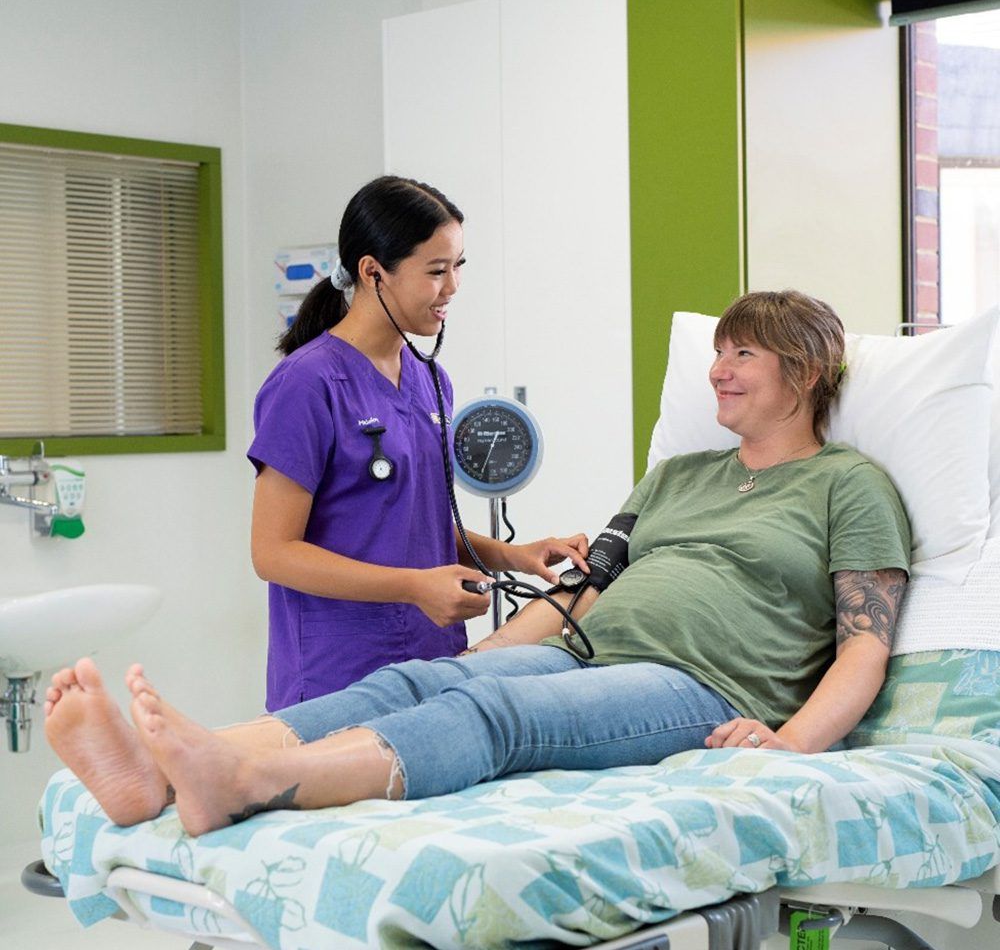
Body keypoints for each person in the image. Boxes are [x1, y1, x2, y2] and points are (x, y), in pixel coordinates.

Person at [45, 290, 911, 839]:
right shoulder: (678, 475)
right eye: (716, 352)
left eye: (741, 355)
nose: (716, 371)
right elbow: (581, 587)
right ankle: (156, 776)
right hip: (583, 649)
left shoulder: (849, 486)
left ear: (801, 371)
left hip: (701, 684)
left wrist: (789, 744)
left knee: (493, 712)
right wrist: (473, 662)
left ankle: (253, 781)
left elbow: (863, 646)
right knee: (422, 681)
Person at [249, 175, 588, 708]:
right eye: (436, 270)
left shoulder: (430, 379)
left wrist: (512, 555)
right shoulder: (307, 385)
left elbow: (416, 522)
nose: (452, 287)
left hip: (433, 664)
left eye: (457, 267)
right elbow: (273, 553)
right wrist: (414, 587)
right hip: (336, 675)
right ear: (372, 272)